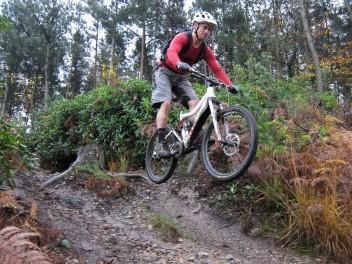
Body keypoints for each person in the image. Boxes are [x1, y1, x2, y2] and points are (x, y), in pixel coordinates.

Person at [152, 10, 239, 157]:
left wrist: (229, 85)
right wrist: (179, 62)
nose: (207, 32)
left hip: (181, 77)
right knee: (166, 103)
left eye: (209, 30)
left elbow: (217, 69)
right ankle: (160, 145)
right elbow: (172, 52)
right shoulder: (182, 38)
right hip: (164, 72)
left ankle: (190, 134)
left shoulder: (205, 50)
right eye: (204, 27)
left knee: (195, 104)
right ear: (195, 26)